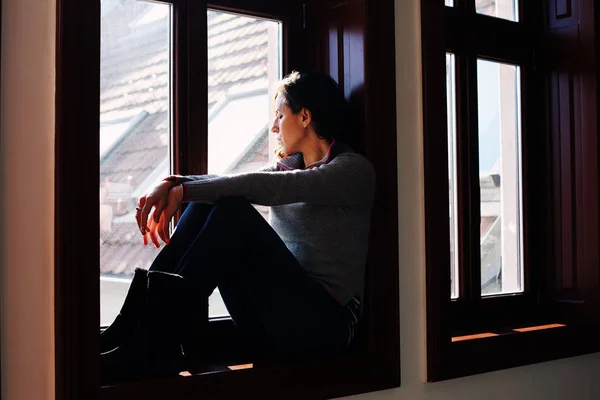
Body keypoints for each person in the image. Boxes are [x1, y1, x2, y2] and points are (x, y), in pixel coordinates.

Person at [99, 71, 376, 384]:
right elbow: (232, 183)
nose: (274, 127)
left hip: (329, 328)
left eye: (279, 115)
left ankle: (155, 341)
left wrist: (184, 191)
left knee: (232, 208)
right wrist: (175, 183)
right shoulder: (290, 169)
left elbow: (272, 187)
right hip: (277, 324)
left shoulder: (352, 171)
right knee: (218, 201)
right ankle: (132, 327)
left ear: (305, 117)